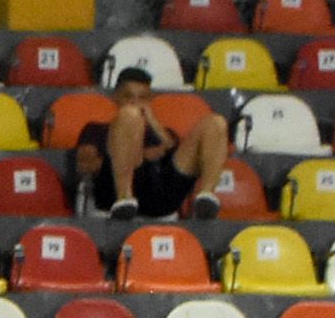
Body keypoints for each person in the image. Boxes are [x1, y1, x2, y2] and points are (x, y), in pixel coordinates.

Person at [71, 69, 231, 221]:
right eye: (128, 97)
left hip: (160, 196)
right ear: (116, 97)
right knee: (130, 116)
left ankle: (206, 196)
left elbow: (176, 157)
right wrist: (137, 156)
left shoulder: (164, 132)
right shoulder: (96, 129)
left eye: (143, 98)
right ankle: (124, 198)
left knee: (216, 123)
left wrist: (153, 123)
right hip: (113, 191)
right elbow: (85, 166)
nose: (135, 103)